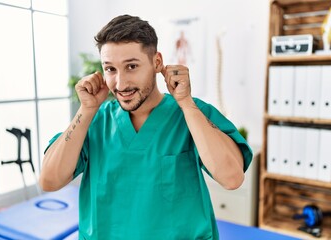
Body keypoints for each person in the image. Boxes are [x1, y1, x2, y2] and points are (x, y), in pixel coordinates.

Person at [39, 14, 253, 239]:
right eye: (110, 69)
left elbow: (232, 178)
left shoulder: (191, 113)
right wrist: (86, 110)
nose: (120, 84)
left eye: (131, 66)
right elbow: (49, 180)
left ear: (157, 62)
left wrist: (187, 104)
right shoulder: (94, 121)